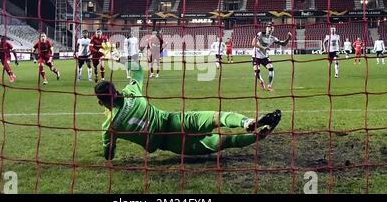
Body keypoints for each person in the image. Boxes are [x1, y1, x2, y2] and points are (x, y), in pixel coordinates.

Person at [94, 63, 282, 160]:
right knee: (218, 117)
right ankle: (246, 122)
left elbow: (109, 156)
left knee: (223, 142)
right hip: (173, 121)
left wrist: (110, 143)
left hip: (170, 142)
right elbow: (137, 70)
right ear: (115, 90)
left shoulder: (109, 126)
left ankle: (259, 135)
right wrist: (121, 58)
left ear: (100, 102)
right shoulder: (131, 92)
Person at [252, 22, 292, 91]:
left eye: (271, 27)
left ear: (273, 29)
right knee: (257, 71)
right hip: (256, 56)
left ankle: (269, 85)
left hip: (265, 56)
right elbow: (253, 43)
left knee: (271, 68)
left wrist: (288, 38)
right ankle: (261, 81)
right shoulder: (260, 34)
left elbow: (283, 44)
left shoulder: (273, 38)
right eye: (269, 27)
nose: (270, 29)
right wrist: (263, 48)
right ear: (266, 28)